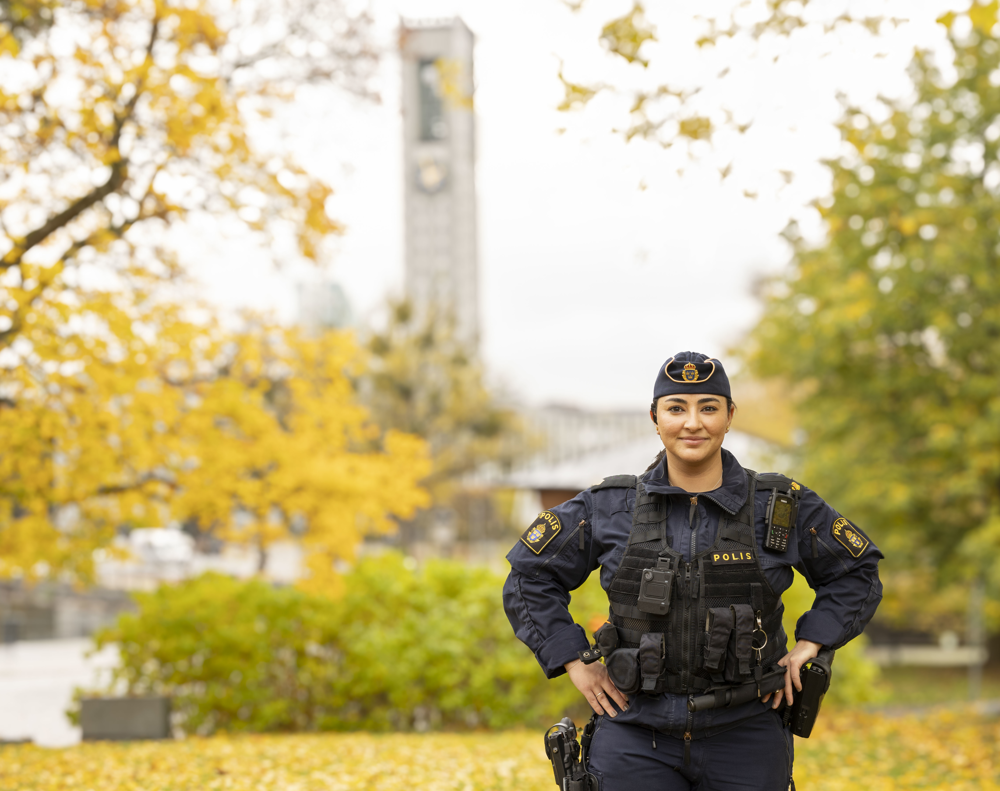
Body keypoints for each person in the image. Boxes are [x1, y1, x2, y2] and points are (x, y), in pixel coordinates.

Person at [503, 351, 882, 791]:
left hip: (746, 732)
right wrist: (573, 660)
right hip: (634, 732)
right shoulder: (609, 506)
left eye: (708, 407)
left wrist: (811, 643)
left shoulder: (779, 507)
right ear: (655, 417)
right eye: (676, 408)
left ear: (729, 416)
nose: (692, 422)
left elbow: (857, 571)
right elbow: (529, 576)